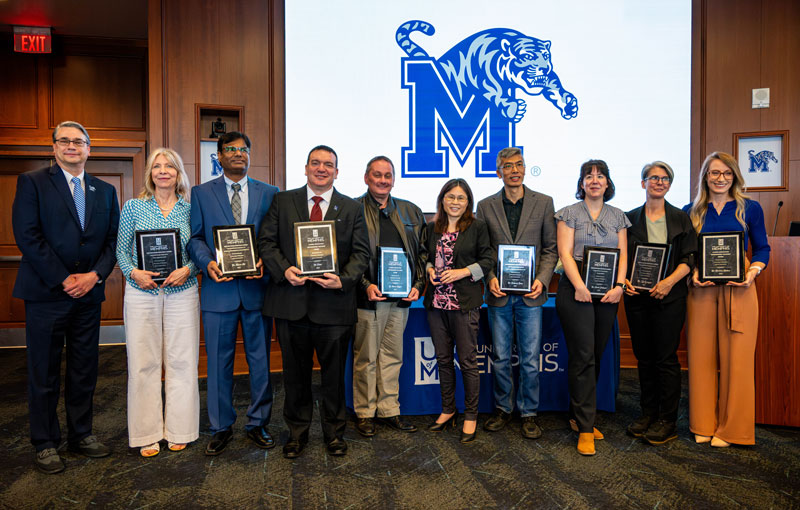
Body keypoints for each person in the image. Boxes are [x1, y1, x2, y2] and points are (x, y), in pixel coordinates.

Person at [12, 121, 119, 473]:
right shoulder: (33, 182)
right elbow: (28, 236)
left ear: (89, 149)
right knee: (43, 372)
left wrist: (93, 276)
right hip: (46, 294)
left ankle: (81, 434)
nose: (72, 146)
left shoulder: (104, 190)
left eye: (79, 142)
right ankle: (44, 443)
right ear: (54, 147)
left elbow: (112, 242)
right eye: (65, 141)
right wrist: (63, 279)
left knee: (84, 370)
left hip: (88, 294)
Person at [258, 145, 370, 459]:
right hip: (291, 303)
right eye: (316, 163)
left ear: (337, 171)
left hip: (334, 306)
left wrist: (343, 279)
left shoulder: (351, 208)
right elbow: (266, 242)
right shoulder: (283, 201)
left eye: (328, 165)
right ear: (306, 168)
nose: (322, 169)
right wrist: (284, 270)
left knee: (334, 378)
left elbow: (362, 254)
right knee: (295, 376)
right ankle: (296, 434)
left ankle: (334, 434)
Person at [187, 131, 279, 456]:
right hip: (218, 291)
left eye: (243, 149)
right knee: (218, 363)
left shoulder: (270, 193)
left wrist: (265, 261)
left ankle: (258, 423)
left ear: (249, 155)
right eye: (231, 149)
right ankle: (221, 425)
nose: (238, 154)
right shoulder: (200, 193)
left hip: (257, 291)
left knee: (260, 362)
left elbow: (275, 238)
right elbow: (195, 237)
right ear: (219, 156)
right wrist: (207, 262)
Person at [116, 148, 200, 457]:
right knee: (143, 364)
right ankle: (146, 433)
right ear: (150, 173)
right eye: (157, 166)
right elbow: (121, 251)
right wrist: (134, 272)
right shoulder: (134, 207)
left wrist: (188, 269)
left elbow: (199, 251)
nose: (162, 171)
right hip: (142, 293)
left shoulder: (191, 210)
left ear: (179, 173)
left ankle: (181, 429)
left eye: (169, 166)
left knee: (182, 362)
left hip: (183, 292)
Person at [683, 151, 769, 447]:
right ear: (705, 177)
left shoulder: (750, 208)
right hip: (701, 290)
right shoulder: (691, 210)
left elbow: (762, 249)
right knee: (701, 357)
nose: (720, 179)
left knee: (738, 360)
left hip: (741, 288)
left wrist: (752, 273)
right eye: (714, 173)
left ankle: (733, 429)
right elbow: (688, 253)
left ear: (734, 176)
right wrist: (693, 271)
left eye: (726, 173)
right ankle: (703, 423)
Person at [476, 147, 558, 439]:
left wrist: (542, 279)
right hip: (498, 293)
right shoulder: (485, 206)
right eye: (507, 166)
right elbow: (482, 250)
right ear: (498, 172)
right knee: (499, 356)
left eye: (519, 165)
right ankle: (502, 408)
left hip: (531, 295)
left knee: (529, 356)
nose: (514, 170)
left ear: (525, 169)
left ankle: (528, 412)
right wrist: (490, 276)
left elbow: (551, 248)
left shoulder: (544, 202)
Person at [555, 159, 630, 456]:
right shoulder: (568, 213)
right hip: (576, 288)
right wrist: (579, 286)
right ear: (582, 183)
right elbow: (565, 252)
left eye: (600, 176)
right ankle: (586, 427)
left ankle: (577, 414)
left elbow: (623, 254)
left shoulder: (619, 216)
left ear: (608, 183)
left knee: (595, 356)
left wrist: (620, 287)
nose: (595, 181)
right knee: (583, 354)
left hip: (608, 290)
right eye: (589, 176)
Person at [622, 161, 697, 445]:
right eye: (654, 178)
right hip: (637, 298)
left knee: (665, 358)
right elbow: (623, 257)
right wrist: (624, 280)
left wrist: (668, 283)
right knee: (644, 357)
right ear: (643, 183)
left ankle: (667, 419)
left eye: (665, 179)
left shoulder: (680, 218)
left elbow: (689, 258)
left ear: (669, 185)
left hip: (670, 297)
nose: (659, 182)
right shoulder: (629, 220)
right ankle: (647, 413)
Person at [353, 156, 426, 437]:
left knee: (393, 356)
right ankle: (364, 412)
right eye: (377, 175)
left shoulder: (410, 211)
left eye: (388, 175)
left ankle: (389, 409)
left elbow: (422, 253)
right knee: (367, 357)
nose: (383, 180)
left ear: (393, 179)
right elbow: (349, 256)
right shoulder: (353, 209)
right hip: (369, 298)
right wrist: (364, 285)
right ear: (366, 177)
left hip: (401, 299)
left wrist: (419, 283)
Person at [422, 179, 495, 443]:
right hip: (436, 305)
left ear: (468, 203)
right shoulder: (432, 228)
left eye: (461, 198)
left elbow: (488, 260)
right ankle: (448, 409)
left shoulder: (478, 228)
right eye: (450, 197)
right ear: (442, 200)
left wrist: (463, 272)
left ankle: (471, 415)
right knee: (442, 360)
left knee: (467, 362)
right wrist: (430, 269)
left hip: (464, 304)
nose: (455, 202)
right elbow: (425, 256)